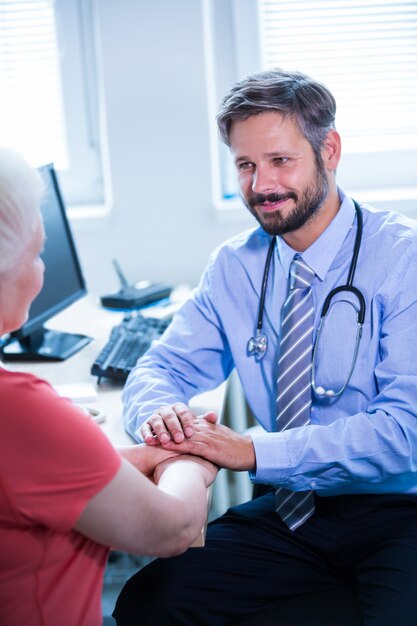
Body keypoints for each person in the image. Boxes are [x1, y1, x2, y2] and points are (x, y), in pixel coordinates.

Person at [113, 68, 417, 626]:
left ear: (329, 150)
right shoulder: (236, 264)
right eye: (245, 165)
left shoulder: (403, 258)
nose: (261, 186)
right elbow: (160, 366)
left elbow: (406, 432)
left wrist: (252, 452)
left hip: (402, 509)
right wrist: (166, 419)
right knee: (149, 603)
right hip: (298, 509)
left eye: (280, 161)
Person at [0, 148, 218, 626]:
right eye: (37, 254)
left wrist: (143, 456)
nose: (42, 269)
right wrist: (193, 458)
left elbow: (41, 481)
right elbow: (174, 528)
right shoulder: (20, 412)